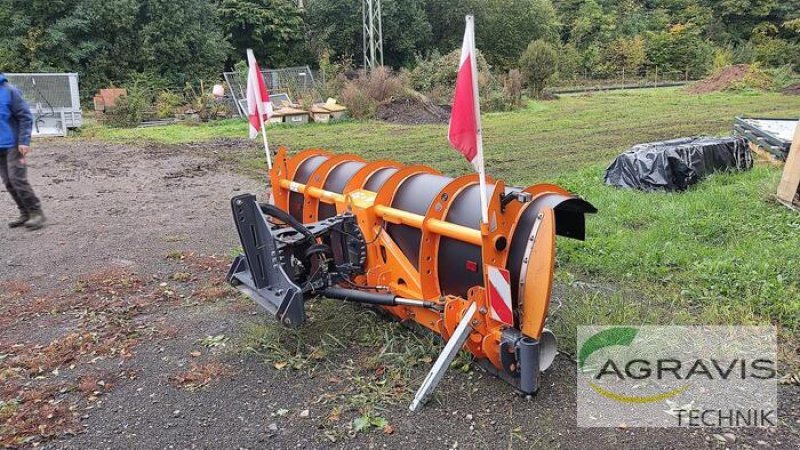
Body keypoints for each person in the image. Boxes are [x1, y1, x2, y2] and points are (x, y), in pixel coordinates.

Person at [0, 73, 45, 230]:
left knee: (17, 179)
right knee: (8, 182)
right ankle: (24, 212)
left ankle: (36, 212)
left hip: (13, 144)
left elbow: (25, 117)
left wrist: (24, 141)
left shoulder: (9, 91)